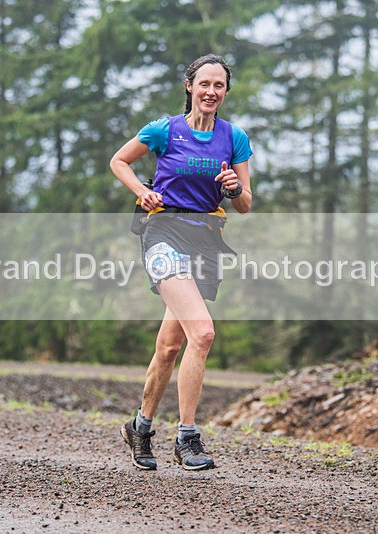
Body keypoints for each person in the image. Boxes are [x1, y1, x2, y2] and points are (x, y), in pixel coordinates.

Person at [109, 54, 252, 471]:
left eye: (219, 85)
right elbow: (119, 160)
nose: (211, 91)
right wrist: (141, 191)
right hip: (163, 234)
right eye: (204, 83)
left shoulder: (234, 138)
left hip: (205, 240)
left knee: (171, 346)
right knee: (202, 333)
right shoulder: (164, 130)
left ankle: (139, 427)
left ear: (226, 91)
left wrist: (233, 188)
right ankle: (187, 438)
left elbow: (245, 204)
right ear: (190, 85)